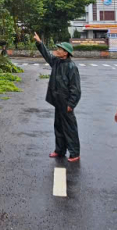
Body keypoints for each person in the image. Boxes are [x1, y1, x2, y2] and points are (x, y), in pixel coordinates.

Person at [34, 33, 81, 162]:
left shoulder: (72, 67)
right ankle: (59, 150)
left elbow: (75, 89)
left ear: (65, 53)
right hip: (58, 102)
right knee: (58, 126)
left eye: (59, 49)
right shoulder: (56, 62)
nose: (57, 50)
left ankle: (74, 153)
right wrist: (39, 43)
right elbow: (47, 55)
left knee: (70, 129)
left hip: (66, 103)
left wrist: (71, 104)